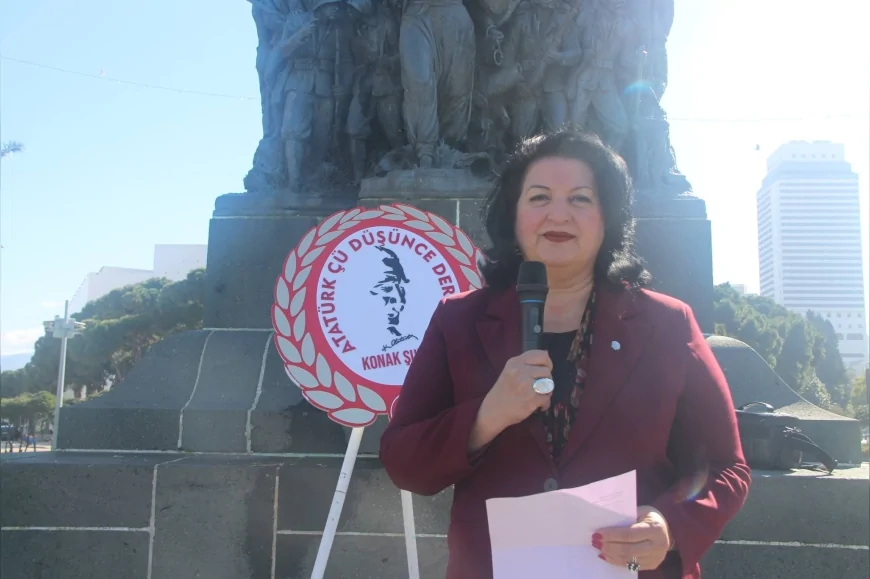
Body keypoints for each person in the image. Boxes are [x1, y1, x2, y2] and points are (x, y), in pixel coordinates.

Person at [379, 128, 751, 578]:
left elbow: (725, 467)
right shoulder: (458, 321)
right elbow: (404, 462)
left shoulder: (667, 324)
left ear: (607, 218)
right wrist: (487, 417)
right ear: (512, 217)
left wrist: (669, 523)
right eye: (538, 198)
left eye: (580, 199)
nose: (559, 213)